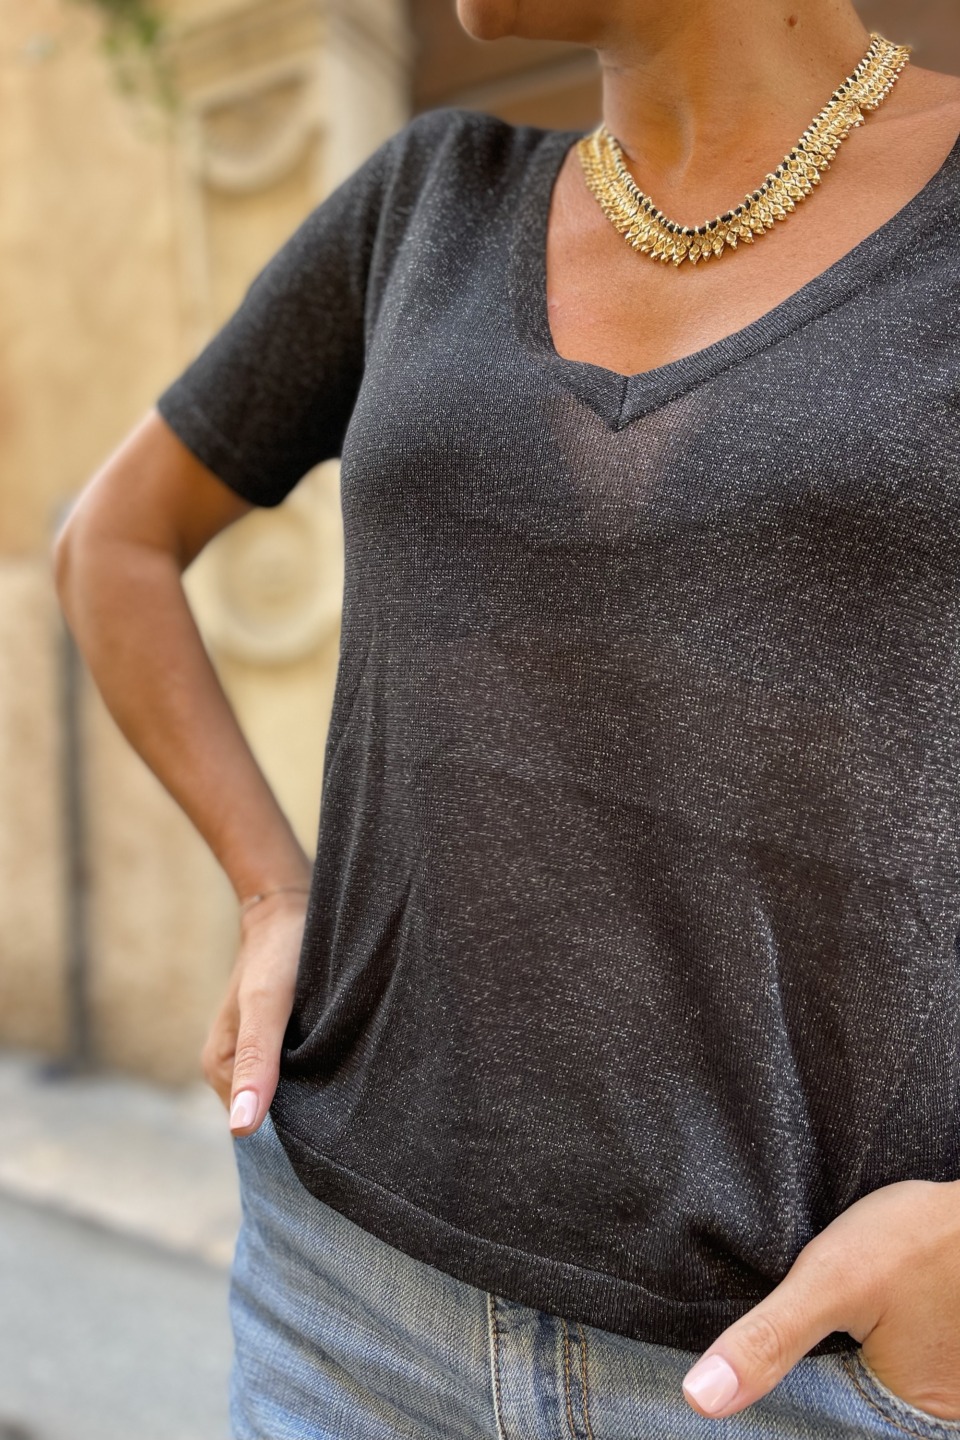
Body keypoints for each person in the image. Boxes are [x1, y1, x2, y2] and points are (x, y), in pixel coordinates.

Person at [53, 0, 960, 1435]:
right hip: (342, 1310)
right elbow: (112, 543)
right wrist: (272, 890)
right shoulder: (430, 202)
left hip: (799, 1374)